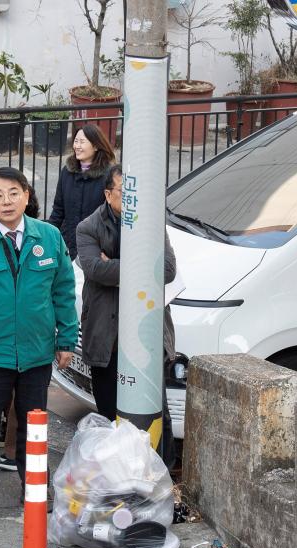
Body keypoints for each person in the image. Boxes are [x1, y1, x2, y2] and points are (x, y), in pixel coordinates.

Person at [0, 167, 78, 518]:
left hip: (36, 352)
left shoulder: (49, 237)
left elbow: (64, 291)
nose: (7, 201)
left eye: (13, 193)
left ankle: (34, 487)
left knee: (33, 424)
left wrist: (66, 339)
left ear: (26, 195)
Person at [76, 164, 178, 467]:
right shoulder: (88, 227)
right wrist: (141, 269)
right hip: (107, 335)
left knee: (157, 411)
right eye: (125, 192)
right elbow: (94, 269)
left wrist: (117, 266)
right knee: (110, 413)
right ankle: (117, 476)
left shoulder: (152, 224)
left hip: (147, 335)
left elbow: (168, 270)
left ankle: (164, 477)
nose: (134, 200)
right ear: (109, 194)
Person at [47, 124, 116, 260]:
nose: (77, 146)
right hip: (68, 245)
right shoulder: (67, 171)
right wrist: (47, 238)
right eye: (76, 141)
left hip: (97, 249)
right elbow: (58, 211)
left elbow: (114, 218)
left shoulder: (109, 175)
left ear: (96, 146)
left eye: (82, 142)